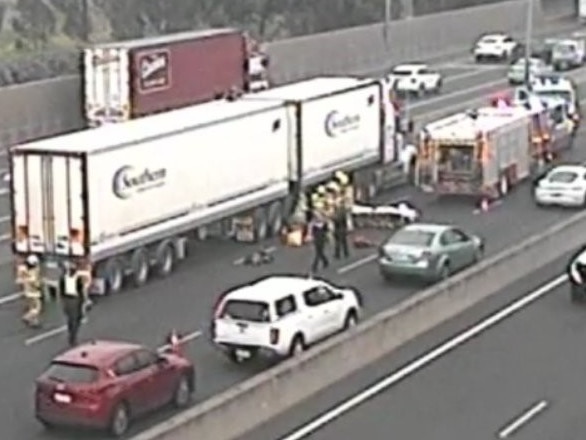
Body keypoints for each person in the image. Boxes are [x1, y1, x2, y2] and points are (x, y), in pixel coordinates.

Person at [59, 265, 89, 347]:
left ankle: (71, 334)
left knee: (73, 318)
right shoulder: (75, 279)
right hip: (73, 300)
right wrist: (83, 301)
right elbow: (80, 290)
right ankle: (73, 337)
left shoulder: (64, 278)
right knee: (75, 319)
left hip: (69, 300)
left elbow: (61, 291)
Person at [20, 255, 42, 328]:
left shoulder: (24, 269)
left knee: (31, 307)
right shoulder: (33, 272)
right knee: (37, 307)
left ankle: (34, 321)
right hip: (33, 291)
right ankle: (27, 317)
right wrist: (38, 286)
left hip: (27, 290)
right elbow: (34, 282)